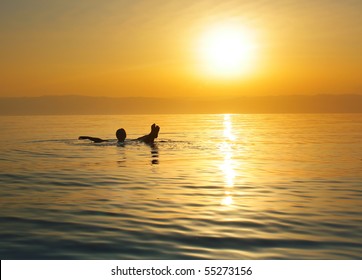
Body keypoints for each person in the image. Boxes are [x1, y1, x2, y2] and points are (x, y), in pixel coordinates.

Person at [78, 124, 160, 144]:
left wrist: (86, 137)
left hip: (131, 143)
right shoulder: (129, 142)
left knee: (140, 140)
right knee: (141, 140)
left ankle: (151, 135)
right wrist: (87, 137)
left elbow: (98, 140)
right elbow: (98, 140)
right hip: (133, 143)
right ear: (125, 136)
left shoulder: (110, 142)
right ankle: (151, 135)